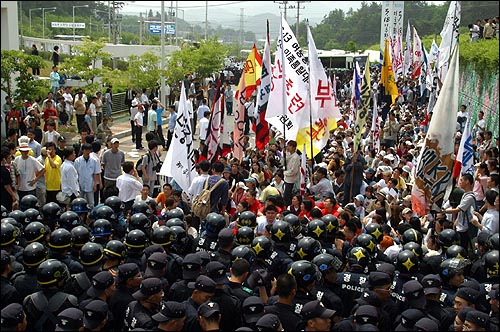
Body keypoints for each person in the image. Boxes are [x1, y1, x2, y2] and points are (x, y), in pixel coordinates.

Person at [282, 140, 300, 207]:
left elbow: (294, 171)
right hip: (287, 179)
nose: (288, 147)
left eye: (289, 146)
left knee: (288, 197)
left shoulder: (295, 157)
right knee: (286, 197)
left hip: (292, 180)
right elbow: (282, 163)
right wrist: (283, 154)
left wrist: (285, 173)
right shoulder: (288, 155)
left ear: (293, 147)